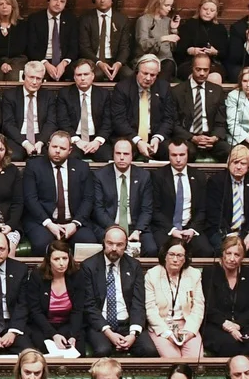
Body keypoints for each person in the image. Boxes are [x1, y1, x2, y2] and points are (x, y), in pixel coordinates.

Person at [22, 130, 96, 255]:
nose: (57, 151)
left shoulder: (82, 167)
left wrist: (75, 224)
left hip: (73, 221)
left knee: (89, 244)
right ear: (48, 145)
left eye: (62, 148)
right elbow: (30, 199)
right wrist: (49, 224)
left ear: (70, 150)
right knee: (41, 244)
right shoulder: (33, 166)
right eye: (54, 146)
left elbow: (88, 199)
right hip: (43, 222)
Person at [81, 226, 151, 356]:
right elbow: (89, 305)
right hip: (101, 325)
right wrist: (109, 333)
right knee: (103, 350)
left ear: (125, 246)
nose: (114, 248)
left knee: (149, 350)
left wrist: (133, 334)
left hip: (127, 324)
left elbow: (138, 303)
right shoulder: (89, 266)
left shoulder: (134, 266)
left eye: (119, 245)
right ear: (103, 242)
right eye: (110, 243)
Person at [198, 234, 249, 357]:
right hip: (217, 324)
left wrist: (237, 325)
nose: (232, 259)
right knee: (229, 344)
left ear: (242, 257)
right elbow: (209, 308)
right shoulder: (210, 273)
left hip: (244, 323)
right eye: (229, 253)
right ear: (222, 253)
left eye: (237, 255)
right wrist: (228, 326)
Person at [91, 137, 156, 256]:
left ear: (132, 156)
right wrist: (115, 230)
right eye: (118, 153)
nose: (121, 157)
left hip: (135, 227)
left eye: (126, 154)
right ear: (113, 154)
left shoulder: (144, 176)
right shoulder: (100, 175)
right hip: (108, 226)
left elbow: (147, 209)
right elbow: (98, 209)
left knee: (151, 249)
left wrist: (138, 231)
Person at [150, 139, 212, 258]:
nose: (178, 159)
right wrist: (172, 230)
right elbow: (155, 210)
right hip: (166, 228)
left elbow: (203, 210)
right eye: (174, 155)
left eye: (182, 155)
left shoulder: (199, 176)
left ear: (188, 154)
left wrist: (192, 229)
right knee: (161, 251)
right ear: (169, 155)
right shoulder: (158, 176)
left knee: (206, 251)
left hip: (190, 228)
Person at [143, 237, 204, 358]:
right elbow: (150, 310)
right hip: (162, 325)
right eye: (171, 255)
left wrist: (190, 332)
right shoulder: (152, 275)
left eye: (180, 255)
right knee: (172, 359)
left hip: (186, 324)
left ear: (185, 258)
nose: (175, 259)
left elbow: (198, 307)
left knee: (194, 359)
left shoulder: (194, 274)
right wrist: (167, 334)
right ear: (164, 255)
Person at [110, 54, 174, 161]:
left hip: (155, 137)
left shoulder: (164, 88)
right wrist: (138, 141)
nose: (148, 78)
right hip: (130, 137)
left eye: (153, 75)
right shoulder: (122, 88)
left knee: (175, 153)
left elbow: (169, 118)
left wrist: (157, 138)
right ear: (137, 71)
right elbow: (119, 120)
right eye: (145, 73)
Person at [206, 144, 249, 256]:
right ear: (229, 163)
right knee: (223, 248)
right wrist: (229, 235)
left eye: (243, 163)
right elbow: (214, 214)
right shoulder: (217, 181)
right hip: (222, 230)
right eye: (235, 162)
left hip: (246, 230)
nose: (238, 167)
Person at [170, 54, 230, 161]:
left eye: (205, 70)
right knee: (188, 152)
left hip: (210, 137)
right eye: (198, 69)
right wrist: (192, 138)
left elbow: (221, 122)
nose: (202, 73)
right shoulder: (177, 91)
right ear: (192, 68)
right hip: (188, 137)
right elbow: (174, 123)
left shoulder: (217, 91)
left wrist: (214, 137)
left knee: (228, 150)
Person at [55, 58, 112, 162]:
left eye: (86, 74)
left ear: (93, 76)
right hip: (74, 138)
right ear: (74, 77)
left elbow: (107, 122)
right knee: (71, 159)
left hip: (96, 138)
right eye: (79, 75)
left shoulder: (104, 94)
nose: (82, 78)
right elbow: (63, 121)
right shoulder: (65, 94)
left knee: (107, 157)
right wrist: (77, 141)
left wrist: (97, 141)